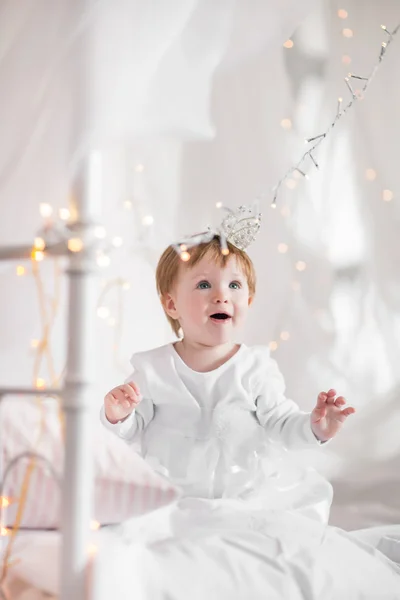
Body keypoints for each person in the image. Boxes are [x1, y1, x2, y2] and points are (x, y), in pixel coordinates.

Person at [100, 234, 355, 499]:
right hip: (171, 494)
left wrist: (316, 428)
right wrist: (119, 416)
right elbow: (132, 429)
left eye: (234, 284)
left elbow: (281, 423)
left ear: (248, 301)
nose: (221, 295)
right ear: (172, 305)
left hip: (241, 494)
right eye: (204, 285)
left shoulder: (254, 368)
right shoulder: (153, 368)